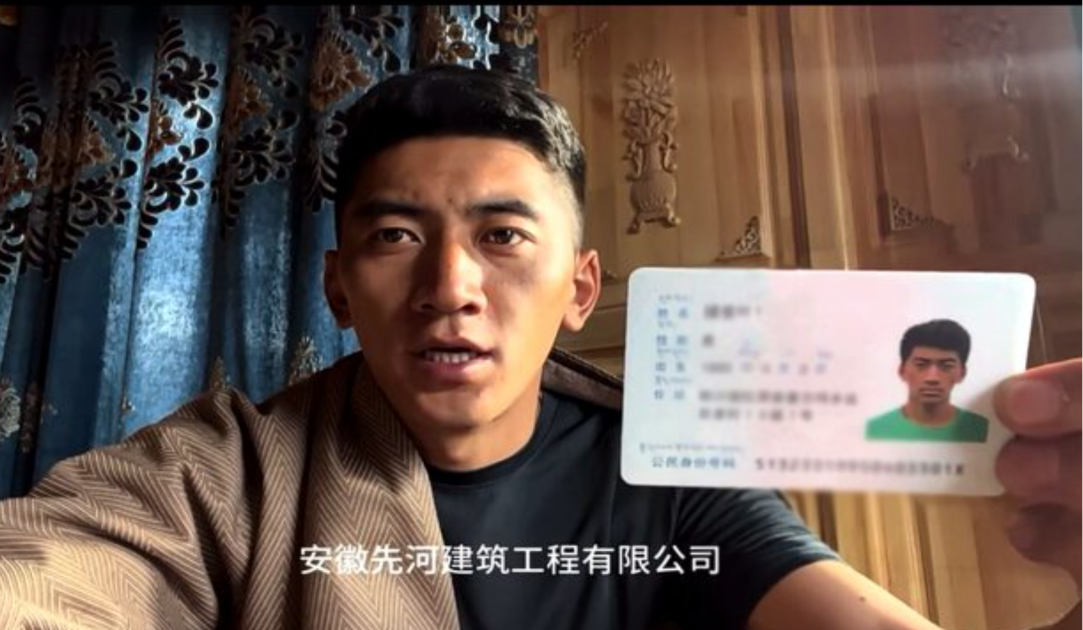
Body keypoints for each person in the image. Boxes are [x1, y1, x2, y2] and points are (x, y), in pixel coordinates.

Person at [0, 64, 1079, 630]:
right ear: (338, 288)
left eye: (503, 237)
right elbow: (51, 578)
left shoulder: (670, 478)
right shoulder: (219, 476)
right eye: (394, 237)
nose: (450, 288)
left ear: (581, 289)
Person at [867, 319, 990, 443]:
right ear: (902, 370)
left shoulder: (982, 429)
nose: (932, 378)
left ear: (962, 373)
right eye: (921, 364)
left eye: (946, 366)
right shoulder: (875, 429)